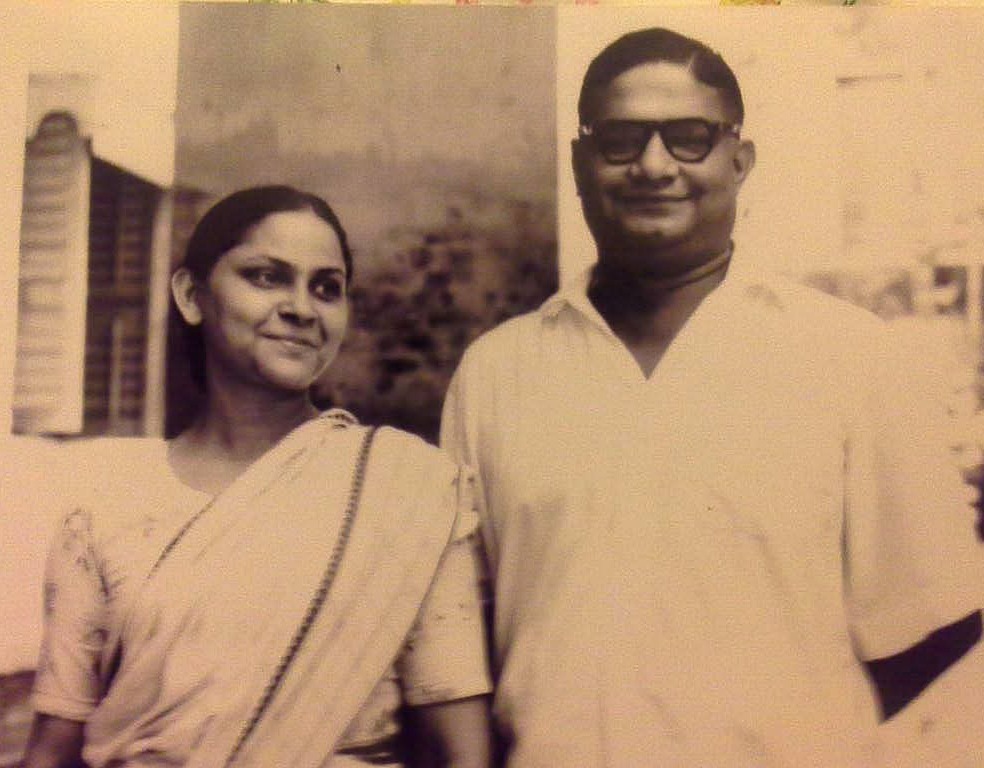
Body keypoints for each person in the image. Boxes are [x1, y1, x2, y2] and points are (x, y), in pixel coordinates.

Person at [441, 28, 982, 767]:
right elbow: (454, 634)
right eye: (621, 140)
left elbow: (932, 623)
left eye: (689, 138)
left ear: (740, 159)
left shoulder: (848, 355)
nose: (653, 165)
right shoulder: (496, 374)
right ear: (579, 163)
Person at [23, 185, 493, 768]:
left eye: (326, 288)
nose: (301, 308)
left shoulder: (405, 491)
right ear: (191, 295)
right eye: (267, 277)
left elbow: (461, 750)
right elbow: (52, 750)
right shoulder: (107, 509)